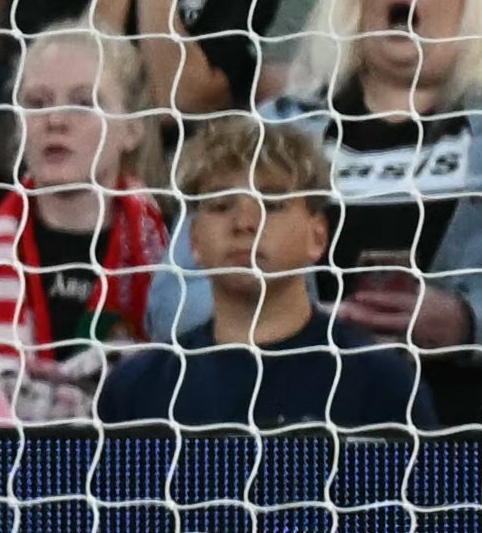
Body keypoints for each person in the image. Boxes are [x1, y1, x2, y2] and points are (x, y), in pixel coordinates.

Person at [99, 110, 435, 424]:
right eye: (221, 205)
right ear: (194, 243)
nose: (245, 222)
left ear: (317, 236)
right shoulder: (137, 389)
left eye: (271, 204)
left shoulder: (382, 385)